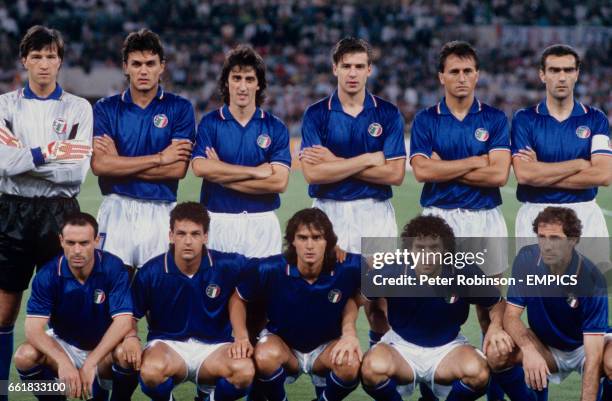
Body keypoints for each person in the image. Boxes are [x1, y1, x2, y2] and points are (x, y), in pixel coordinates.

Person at [409, 40, 512, 401]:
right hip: (438, 223)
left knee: (491, 311)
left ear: (477, 75)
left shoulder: (495, 119)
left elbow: (499, 175)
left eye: (468, 71)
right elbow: (422, 170)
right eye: (454, 71)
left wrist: (446, 167)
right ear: (441, 77)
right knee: (432, 308)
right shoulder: (425, 119)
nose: (462, 78)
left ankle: (494, 393)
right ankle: (428, 392)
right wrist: (475, 161)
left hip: (485, 220)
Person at [0, 25, 93, 398]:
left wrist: (23, 157)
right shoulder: (5, 105)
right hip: (11, 211)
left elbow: (76, 171)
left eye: (50, 55)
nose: (43, 63)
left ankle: (52, 391)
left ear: (60, 60)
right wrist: (50, 151)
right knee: (4, 314)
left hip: (60, 214)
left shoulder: (78, 108)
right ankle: (2, 391)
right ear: (24, 60)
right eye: (36, 56)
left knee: (60, 315)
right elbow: (3, 166)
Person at [299, 36, 406, 349]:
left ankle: (380, 368)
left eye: (360, 66)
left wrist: (337, 162)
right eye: (346, 66)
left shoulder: (387, 114)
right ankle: (325, 381)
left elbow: (395, 174)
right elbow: (313, 172)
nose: (353, 73)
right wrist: (369, 159)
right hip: (328, 213)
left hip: (375, 213)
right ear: (335, 68)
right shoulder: (316, 114)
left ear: (369, 70)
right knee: (324, 301)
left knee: (380, 304)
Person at [360, 215, 512, 401]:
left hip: (447, 348)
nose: (427, 255)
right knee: (370, 369)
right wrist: (348, 332)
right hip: (401, 347)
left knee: (478, 373)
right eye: (420, 248)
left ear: (445, 249)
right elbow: (358, 298)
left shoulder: (462, 270)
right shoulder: (393, 270)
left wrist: (495, 327)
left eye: (434, 248)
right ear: (409, 249)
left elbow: (497, 302)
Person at [114, 202, 254, 401]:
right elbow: (129, 315)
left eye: (195, 234)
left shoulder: (229, 265)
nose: (188, 241)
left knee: (244, 371)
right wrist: (130, 337)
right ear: (171, 236)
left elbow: (264, 273)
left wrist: (242, 335)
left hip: (214, 348)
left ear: (206, 236)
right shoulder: (151, 272)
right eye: (181, 234)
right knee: (150, 372)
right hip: (168, 346)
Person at [91, 28, 195, 271]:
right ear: (126, 66)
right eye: (137, 64)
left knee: (159, 300)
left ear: (162, 66)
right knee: (112, 295)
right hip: (116, 208)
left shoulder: (180, 108)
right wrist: (160, 158)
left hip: (161, 211)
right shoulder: (106, 108)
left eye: (150, 63)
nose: (144, 70)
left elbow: (178, 169)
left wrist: (119, 164)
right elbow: (99, 166)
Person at [237, 208, 362, 401]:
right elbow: (238, 297)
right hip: (284, 348)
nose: (309, 245)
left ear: (328, 241)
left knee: (350, 361)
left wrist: (350, 330)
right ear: (292, 241)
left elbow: (394, 271)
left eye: (317, 237)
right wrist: (241, 336)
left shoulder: (348, 266)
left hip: (326, 348)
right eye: (303, 238)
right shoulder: (269, 268)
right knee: (264, 356)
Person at [490, 207, 608, 401]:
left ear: (572, 240)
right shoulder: (527, 259)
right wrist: (529, 350)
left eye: (555, 238)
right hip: (544, 344)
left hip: (583, 346)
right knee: (497, 354)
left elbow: (594, 356)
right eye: (542, 237)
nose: (546, 245)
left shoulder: (592, 279)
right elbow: (511, 315)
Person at [511, 44, 611, 269]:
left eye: (568, 70)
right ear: (542, 75)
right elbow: (525, 175)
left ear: (577, 73)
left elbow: (603, 175)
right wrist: (578, 164)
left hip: (584, 213)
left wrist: (542, 171)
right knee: (538, 296)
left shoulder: (596, 119)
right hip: (536, 215)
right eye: (555, 70)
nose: (562, 77)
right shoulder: (525, 119)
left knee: (589, 294)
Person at [13, 212, 132, 401]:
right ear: (61, 241)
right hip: (65, 344)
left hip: (103, 346)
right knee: (24, 356)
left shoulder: (113, 267)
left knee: (126, 355)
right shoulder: (48, 275)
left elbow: (124, 321)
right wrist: (63, 362)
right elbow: (33, 328)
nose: (77, 250)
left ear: (96, 240)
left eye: (84, 243)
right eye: (70, 243)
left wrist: (91, 362)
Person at [192, 45, 291, 258]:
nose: (242, 86)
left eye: (249, 79)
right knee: (218, 291)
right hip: (219, 220)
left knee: (378, 287)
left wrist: (222, 175)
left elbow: (278, 183)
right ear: (226, 82)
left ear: (259, 85)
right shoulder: (210, 123)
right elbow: (200, 167)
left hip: (262, 222)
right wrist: (255, 172)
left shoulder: (276, 127)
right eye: (236, 78)